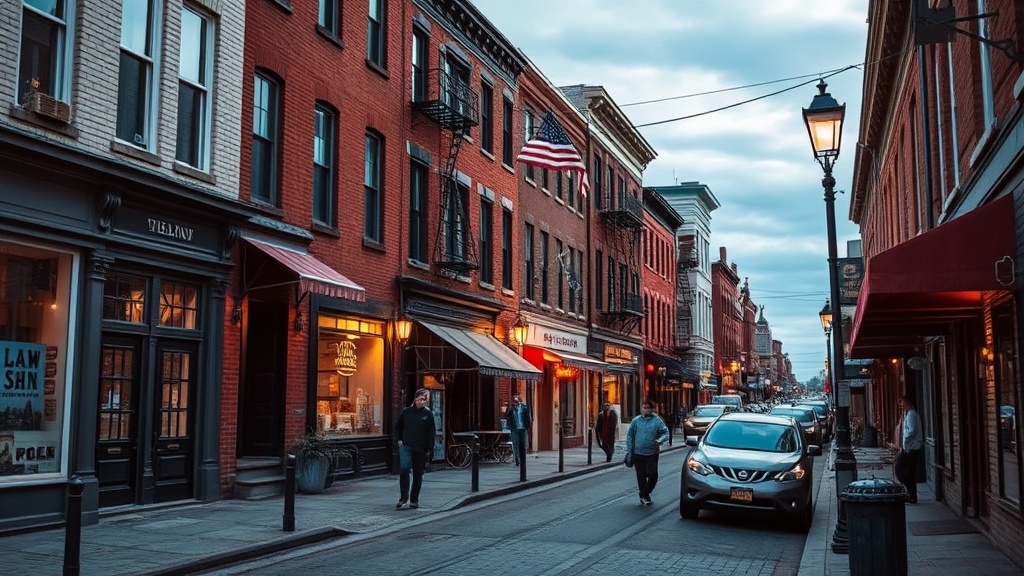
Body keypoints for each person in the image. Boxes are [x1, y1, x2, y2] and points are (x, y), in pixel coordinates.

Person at [394, 389, 436, 509]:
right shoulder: (406, 412)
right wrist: (399, 440)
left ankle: (414, 500)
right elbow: (398, 427)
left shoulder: (428, 414)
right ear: (415, 399)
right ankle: (403, 498)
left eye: (424, 399)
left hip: (421, 448)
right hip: (406, 446)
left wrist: (429, 449)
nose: (422, 401)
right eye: (420, 399)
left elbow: (431, 432)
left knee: (418, 474)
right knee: (404, 470)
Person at [625, 398, 670, 506]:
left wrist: (660, 440)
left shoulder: (657, 421)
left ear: (651, 409)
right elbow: (630, 436)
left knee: (653, 474)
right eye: (643, 407)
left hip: (652, 453)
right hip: (638, 453)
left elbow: (665, 433)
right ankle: (644, 496)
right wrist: (630, 450)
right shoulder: (636, 421)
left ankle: (646, 492)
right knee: (641, 476)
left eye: (647, 407)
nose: (645, 409)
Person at [894, 394, 923, 503]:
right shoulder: (910, 414)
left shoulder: (911, 414)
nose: (900, 405)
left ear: (907, 402)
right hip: (912, 447)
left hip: (911, 448)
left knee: (899, 469)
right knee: (909, 471)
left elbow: (911, 431)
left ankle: (911, 492)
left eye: (901, 402)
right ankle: (912, 495)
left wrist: (905, 444)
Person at [505, 395, 532, 466]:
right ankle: (517, 459)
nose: (515, 403)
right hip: (514, 429)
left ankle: (522, 459)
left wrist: (528, 426)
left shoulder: (524, 408)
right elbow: (507, 417)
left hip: (523, 428)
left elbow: (528, 418)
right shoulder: (511, 409)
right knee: (516, 445)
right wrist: (509, 426)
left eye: (516, 401)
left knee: (523, 445)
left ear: (520, 401)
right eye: (514, 401)